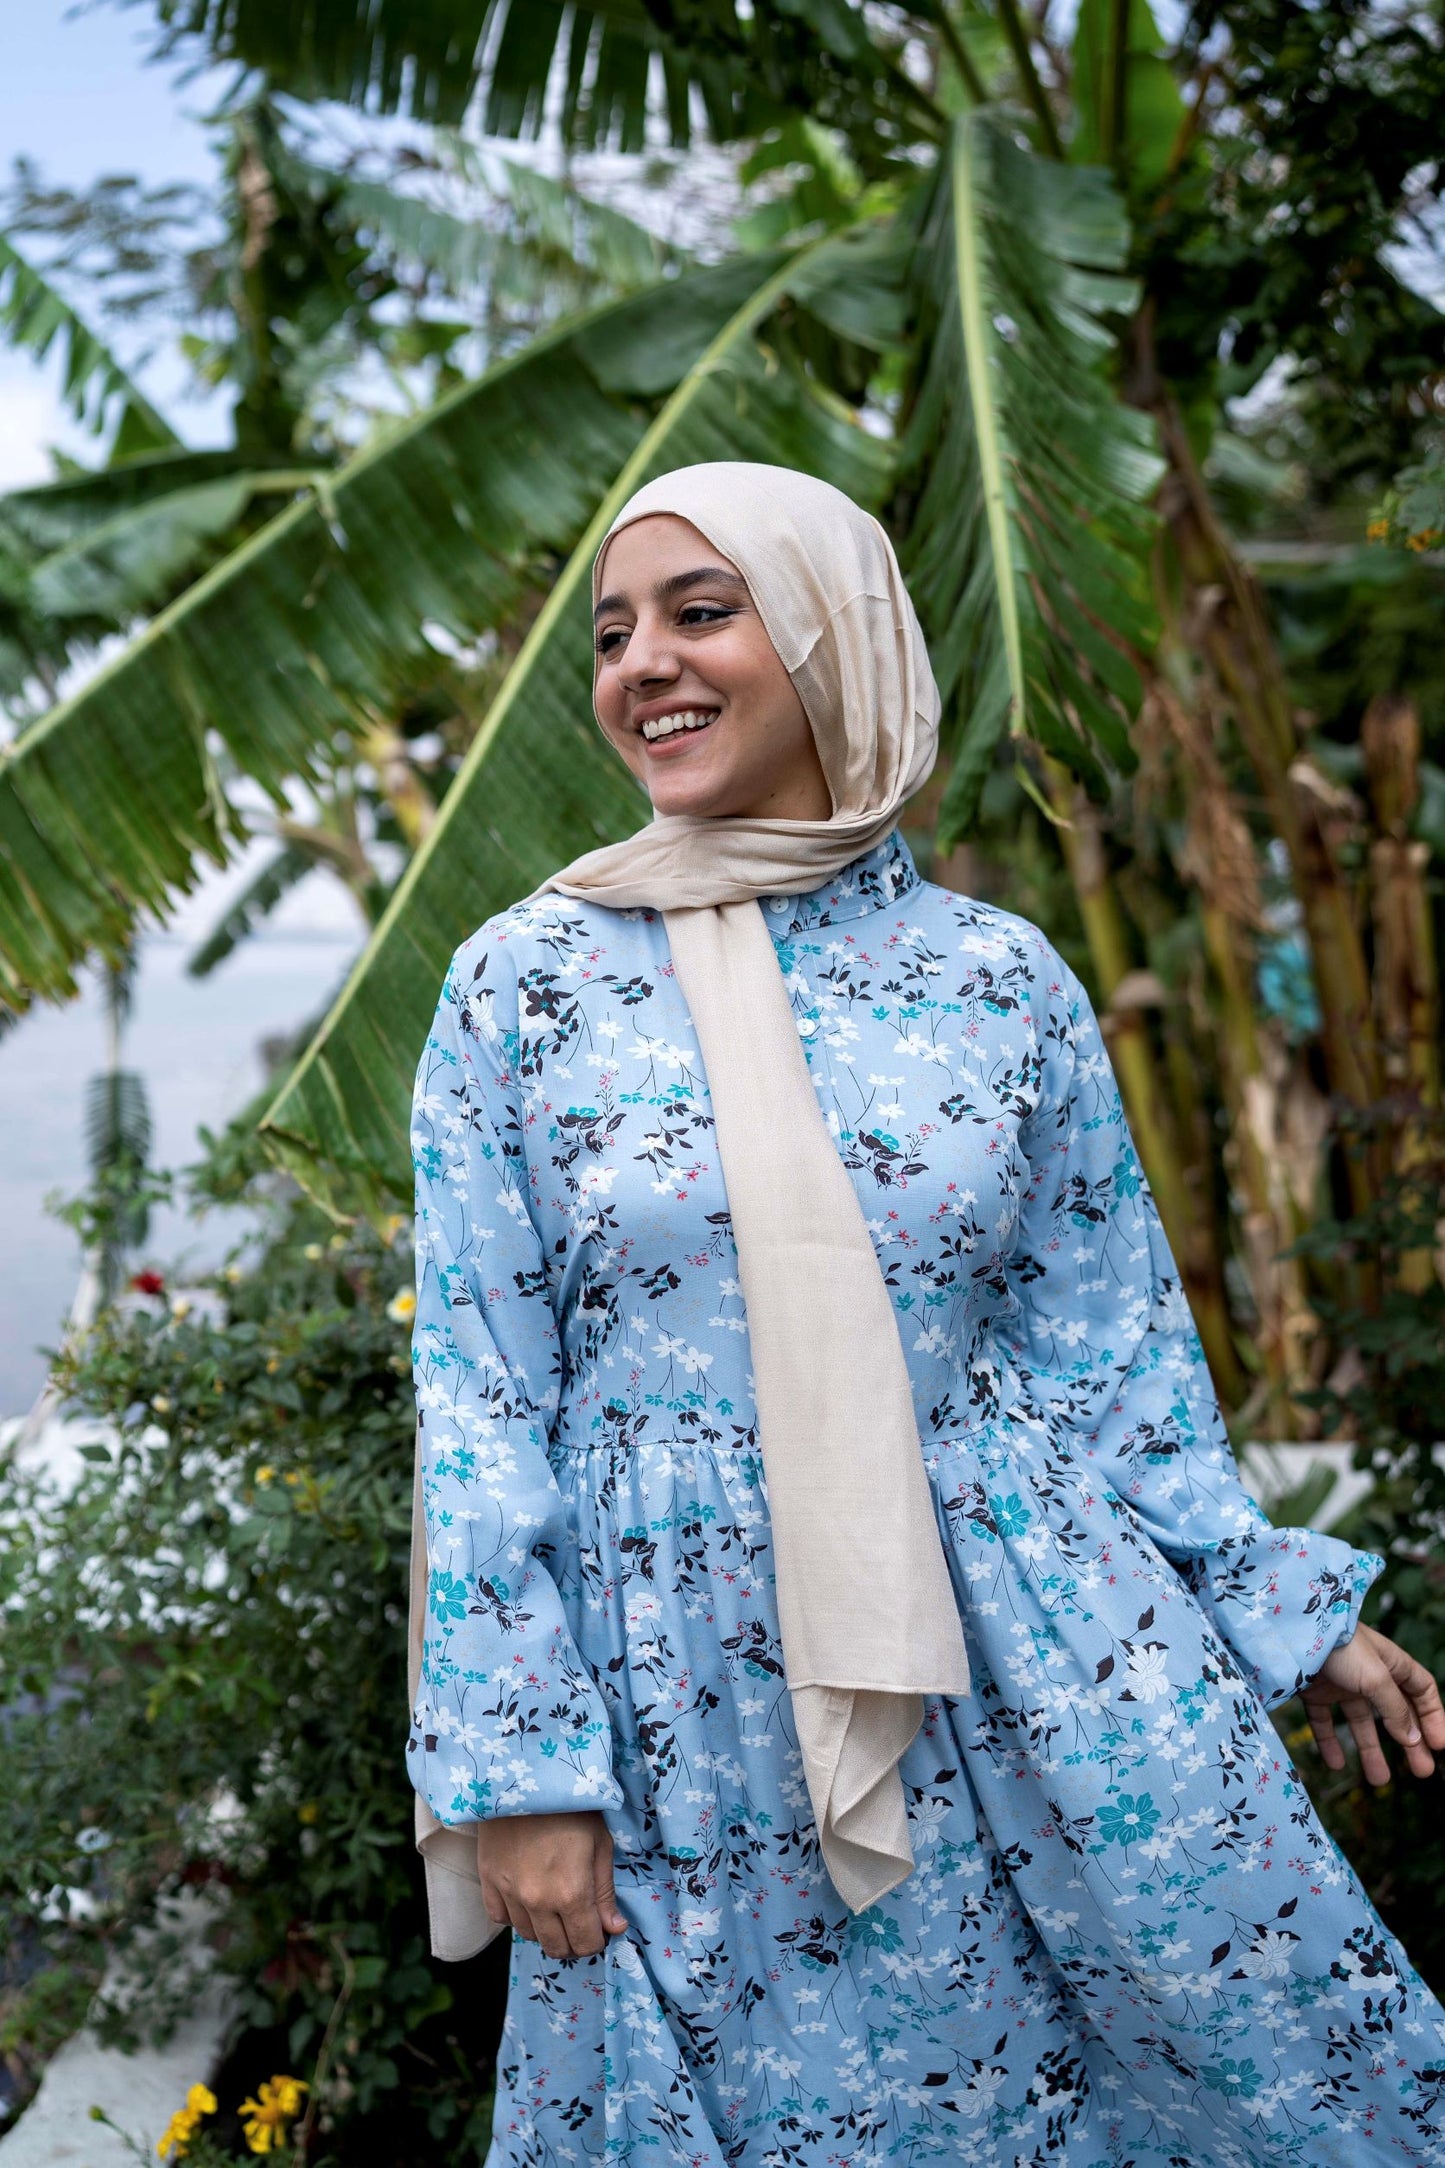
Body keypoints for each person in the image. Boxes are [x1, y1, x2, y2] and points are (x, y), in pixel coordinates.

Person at [405, 462, 1445, 2166]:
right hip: (685, 1696)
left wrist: (1276, 1610)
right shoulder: (526, 984)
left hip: (1019, 1652)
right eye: (611, 634)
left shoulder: (996, 979)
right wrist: (514, 1767)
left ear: (832, 636)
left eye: (699, 611)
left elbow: (1104, 1357)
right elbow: (480, 1396)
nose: (640, 665)